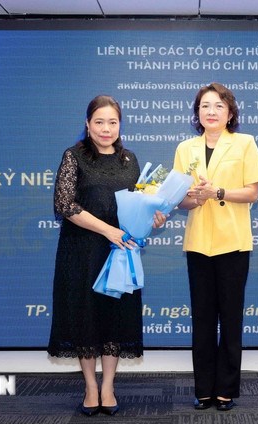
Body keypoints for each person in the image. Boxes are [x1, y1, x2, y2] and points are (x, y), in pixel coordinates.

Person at [47, 95, 166, 416]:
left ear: (120, 125)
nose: (106, 128)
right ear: (87, 124)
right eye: (99, 122)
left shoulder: (130, 160)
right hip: (82, 251)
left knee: (115, 317)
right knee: (85, 317)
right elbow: (65, 205)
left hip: (120, 253)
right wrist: (108, 230)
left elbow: (140, 204)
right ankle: (90, 386)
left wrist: (154, 217)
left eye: (112, 122)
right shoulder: (74, 156)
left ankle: (108, 386)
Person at [173, 82, 258, 411]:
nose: (211, 112)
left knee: (229, 318)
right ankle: (203, 390)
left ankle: (225, 390)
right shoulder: (185, 148)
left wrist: (219, 192)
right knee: (201, 319)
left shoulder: (245, 143)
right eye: (205, 106)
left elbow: (252, 192)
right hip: (199, 243)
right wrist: (195, 198)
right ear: (197, 113)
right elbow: (179, 199)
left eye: (218, 106)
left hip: (233, 244)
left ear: (230, 113)